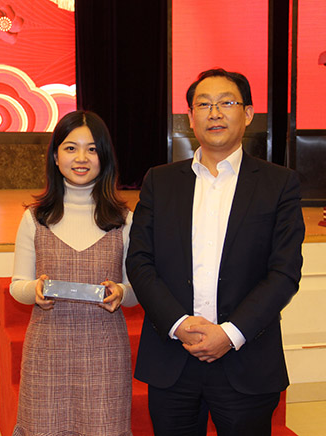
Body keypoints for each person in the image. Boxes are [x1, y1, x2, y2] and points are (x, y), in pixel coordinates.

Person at [126, 68, 305, 436]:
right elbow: (140, 261)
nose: (215, 113)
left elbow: (284, 272)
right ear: (190, 117)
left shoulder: (278, 183)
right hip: (173, 358)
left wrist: (231, 333)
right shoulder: (160, 181)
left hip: (245, 357)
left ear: (248, 114)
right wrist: (178, 324)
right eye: (204, 105)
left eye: (227, 103)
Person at [10, 110, 137, 436]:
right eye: (70, 148)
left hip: (105, 353)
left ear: (104, 157)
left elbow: (136, 289)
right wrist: (35, 290)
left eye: (92, 149)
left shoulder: (124, 219)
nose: (81, 158)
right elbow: (17, 285)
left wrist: (121, 293)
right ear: (55, 156)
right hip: (47, 351)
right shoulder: (34, 217)